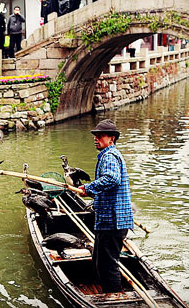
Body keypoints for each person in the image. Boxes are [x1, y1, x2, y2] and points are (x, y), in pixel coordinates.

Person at [78, 119, 134, 293]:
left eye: (100, 136)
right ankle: (105, 290)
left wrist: (88, 188)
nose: (96, 139)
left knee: (107, 264)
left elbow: (111, 179)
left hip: (113, 220)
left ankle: (114, 296)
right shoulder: (110, 155)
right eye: (95, 136)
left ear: (111, 139)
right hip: (110, 219)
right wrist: (91, 192)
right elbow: (111, 185)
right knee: (99, 260)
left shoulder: (109, 156)